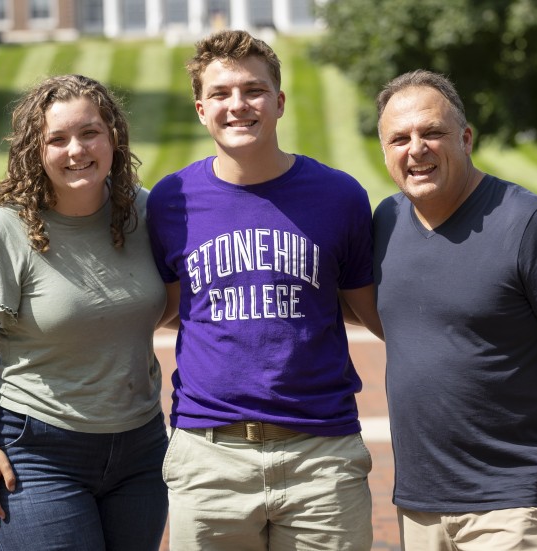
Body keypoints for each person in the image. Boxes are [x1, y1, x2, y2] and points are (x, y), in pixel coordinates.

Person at [146, 29, 382, 551]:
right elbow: (162, 307)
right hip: (210, 456)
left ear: (278, 102)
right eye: (222, 94)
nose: (239, 105)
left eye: (253, 91)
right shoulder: (170, 200)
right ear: (201, 110)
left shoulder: (339, 196)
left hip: (321, 454)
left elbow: (373, 310)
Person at [0, 74, 168, 550]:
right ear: (34, 151)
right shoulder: (0, 233)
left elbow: (169, 306)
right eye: (57, 139)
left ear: (113, 137)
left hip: (141, 450)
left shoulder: (146, 214)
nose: (76, 149)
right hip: (36, 452)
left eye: (89, 132)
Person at [371, 70, 537, 550]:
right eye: (399, 138)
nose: (415, 149)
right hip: (419, 503)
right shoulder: (385, 222)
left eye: (432, 133)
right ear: (385, 151)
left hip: (515, 499)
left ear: (465, 137)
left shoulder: (531, 224)